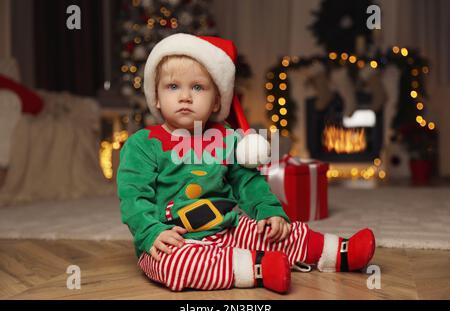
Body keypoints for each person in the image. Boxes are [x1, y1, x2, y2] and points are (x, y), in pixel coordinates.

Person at [117, 33, 375, 293]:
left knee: (276, 232)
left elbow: (248, 182)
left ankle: (338, 252)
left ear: (217, 100)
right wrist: (150, 232)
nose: (185, 96)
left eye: (198, 87)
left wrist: (269, 211)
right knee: (177, 266)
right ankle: (258, 268)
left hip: (228, 228)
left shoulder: (228, 139)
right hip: (171, 239)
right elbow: (133, 197)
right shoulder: (143, 144)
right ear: (156, 97)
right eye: (173, 87)